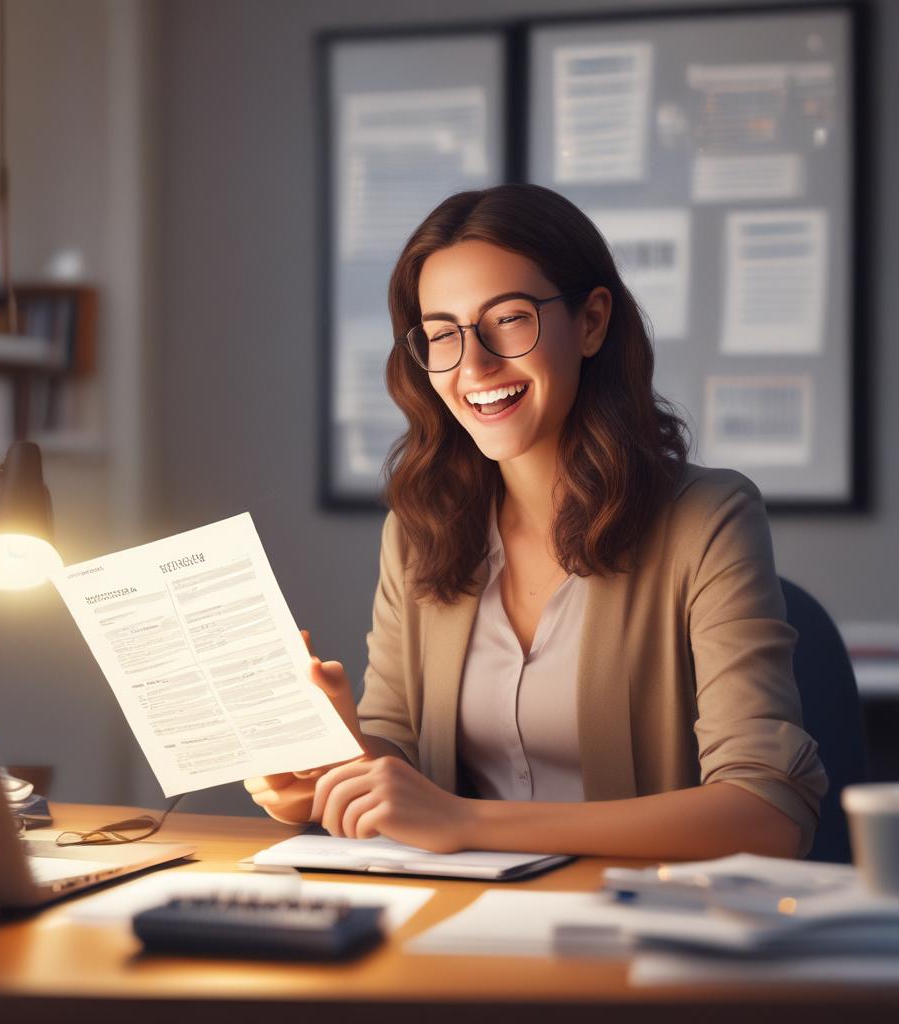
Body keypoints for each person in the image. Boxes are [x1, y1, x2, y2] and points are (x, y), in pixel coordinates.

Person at [244, 183, 827, 859]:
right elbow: (401, 755)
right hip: (455, 926)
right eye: (442, 335)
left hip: (635, 933)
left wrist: (467, 823)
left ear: (592, 322)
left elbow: (769, 815)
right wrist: (328, 763)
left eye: (510, 319)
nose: (476, 365)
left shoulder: (709, 520)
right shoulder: (418, 532)